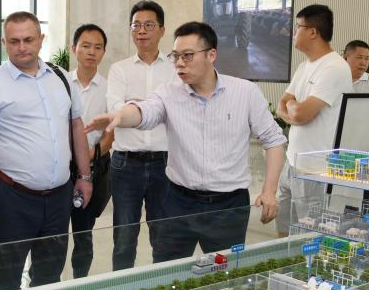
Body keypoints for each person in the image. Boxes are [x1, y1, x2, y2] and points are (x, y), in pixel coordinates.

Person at [88, 21, 285, 260]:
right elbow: (145, 111)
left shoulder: (245, 92)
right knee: (169, 271)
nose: (179, 63)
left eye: (188, 56)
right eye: (176, 56)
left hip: (228, 206)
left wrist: (269, 191)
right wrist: (121, 116)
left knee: (225, 271)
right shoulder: (168, 93)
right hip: (178, 203)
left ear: (211, 55)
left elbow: (273, 140)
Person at [0, 11, 92, 290]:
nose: (22, 47)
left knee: (49, 278)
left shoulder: (60, 78)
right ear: (4, 42)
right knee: (8, 281)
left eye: (28, 40)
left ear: (41, 39)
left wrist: (85, 176)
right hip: (12, 199)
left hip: (59, 198)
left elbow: (76, 126)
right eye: (14, 41)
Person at [106, 0, 174, 270]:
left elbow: (177, 110)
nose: (141, 31)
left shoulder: (174, 68)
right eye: (136, 25)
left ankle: (162, 285)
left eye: (148, 25)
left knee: (164, 235)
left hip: (165, 163)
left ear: (162, 30)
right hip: (126, 164)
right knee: (124, 238)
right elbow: (116, 110)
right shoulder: (119, 69)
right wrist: (155, 107)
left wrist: (134, 104)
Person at [276, 5, 353, 236]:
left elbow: (300, 114)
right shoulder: (304, 66)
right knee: (283, 228)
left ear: (312, 32)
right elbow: (282, 105)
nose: (293, 33)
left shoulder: (334, 67)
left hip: (314, 168)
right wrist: (294, 109)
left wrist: (294, 109)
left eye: (297, 27)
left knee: (308, 237)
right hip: (292, 162)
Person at [68, 24, 114, 279]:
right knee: (53, 234)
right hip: (60, 170)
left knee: (84, 234)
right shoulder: (62, 83)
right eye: (85, 46)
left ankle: (79, 283)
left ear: (104, 52)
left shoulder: (109, 88)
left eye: (98, 47)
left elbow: (110, 135)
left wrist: (89, 155)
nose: (91, 52)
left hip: (93, 169)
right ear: (74, 48)